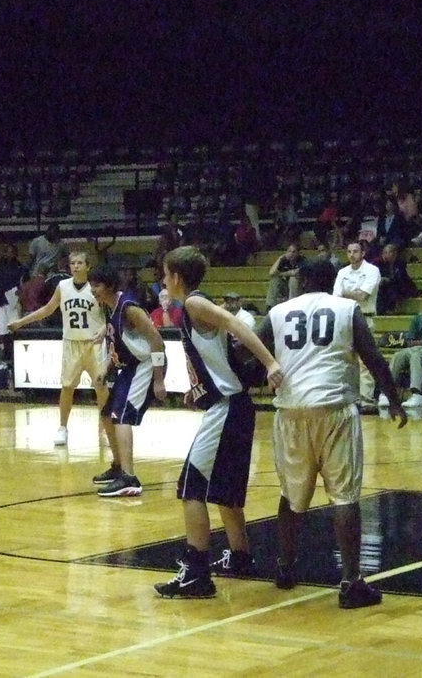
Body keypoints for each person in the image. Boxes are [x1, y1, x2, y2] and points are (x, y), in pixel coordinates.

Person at [256, 258, 407, 609]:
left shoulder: (279, 312)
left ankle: (285, 567)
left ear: (304, 279)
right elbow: (374, 358)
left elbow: (250, 351)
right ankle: (351, 582)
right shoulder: (346, 308)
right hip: (334, 408)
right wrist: (394, 399)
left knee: (290, 495)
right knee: (344, 496)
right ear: (330, 281)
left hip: (291, 411)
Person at [152, 246, 284, 599]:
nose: (163, 281)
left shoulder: (194, 304)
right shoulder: (191, 308)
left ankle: (196, 571)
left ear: (176, 277)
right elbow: (216, 354)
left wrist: (270, 363)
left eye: (165, 274)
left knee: (190, 487)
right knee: (224, 489)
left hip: (227, 407)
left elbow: (236, 323)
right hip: (231, 404)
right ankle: (240, 556)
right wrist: (197, 388)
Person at [8, 251, 114, 449]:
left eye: (80, 263)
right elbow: (48, 308)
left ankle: (105, 430)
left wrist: (104, 329)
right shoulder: (63, 286)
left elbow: (111, 313)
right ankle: (62, 428)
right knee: (67, 387)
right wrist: (22, 322)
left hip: (95, 344)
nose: (75, 266)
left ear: (88, 266)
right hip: (71, 343)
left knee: (101, 388)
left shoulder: (97, 287)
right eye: (72, 263)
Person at [88, 264, 167, 497]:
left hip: (146, 364)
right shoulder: (109, 308)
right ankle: (118, 466)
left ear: (110, 285)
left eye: (97, 285)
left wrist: (159, 379)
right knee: (107, 414)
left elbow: (157, 341)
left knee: (121, 416)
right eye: (91, 285)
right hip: (131, 365)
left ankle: (129, 478)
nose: (93, 290)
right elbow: (120, 346)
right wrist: (106, 366)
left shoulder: (129, 308)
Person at [334, 241, 381, 404]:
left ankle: (366, 396)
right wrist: (353, 293)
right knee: (344, 358)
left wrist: (346, 293)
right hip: (344, 318)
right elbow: (335, 298)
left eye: (355, 251)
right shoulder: (342, 272)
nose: (352, 254)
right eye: (349, 251)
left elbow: (363, 296)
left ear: (363, 253)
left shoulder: (372, 270)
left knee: (365, 360)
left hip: (365, 317)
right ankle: (348, 395)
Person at [267, 242, 303, 308]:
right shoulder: (284, 260)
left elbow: (295, 273)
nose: (291, 254)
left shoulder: (302, 260)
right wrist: (280, 258)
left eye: (293, 252)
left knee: (293, 278)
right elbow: (271, 273)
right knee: (275, 279)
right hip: (286, 288)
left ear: (298, 253)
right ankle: (270, 306)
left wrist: (281, 274)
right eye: (289, 251)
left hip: (299, 289)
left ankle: (292, 305)